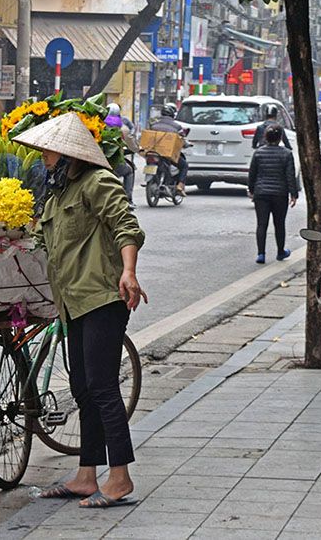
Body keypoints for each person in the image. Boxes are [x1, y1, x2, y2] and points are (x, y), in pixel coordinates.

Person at [13, 112, 146, 509]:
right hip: (72, 303)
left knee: (103, 386)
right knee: (82, 389)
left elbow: (127, 227)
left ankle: (120, 478)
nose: (44, 160)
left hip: (102, 297)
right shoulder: (58, 196)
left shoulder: (98, 183)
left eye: (49, 154)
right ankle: (87, 475)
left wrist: (129, 271)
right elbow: (43, 243)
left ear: (68, 154)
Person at [249, 124, 298, 264]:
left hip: (261, 193)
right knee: (279, 223)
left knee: (261, 224)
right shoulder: (287, 154)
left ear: (265, 137)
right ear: (280, 137)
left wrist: (251, 190)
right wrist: (293, 194)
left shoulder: (258, 153)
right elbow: (290, 176)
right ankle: (280, 252)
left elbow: (252, 174)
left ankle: (261, 254)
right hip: (280, 194)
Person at [149, 103, 189, 194]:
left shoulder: (153, 125)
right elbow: (182, 140)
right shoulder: (177, 127)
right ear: (173, 114)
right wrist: (187, 145)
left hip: (153, 152)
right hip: (168, 153)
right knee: (184, 165)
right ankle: (180, 185)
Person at [106, 103, 136, 208]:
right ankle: (128, 199)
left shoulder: (98, 123)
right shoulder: (121, 128)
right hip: (112, 163)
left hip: (97, 162)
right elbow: (130, 145)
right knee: (129, 171)